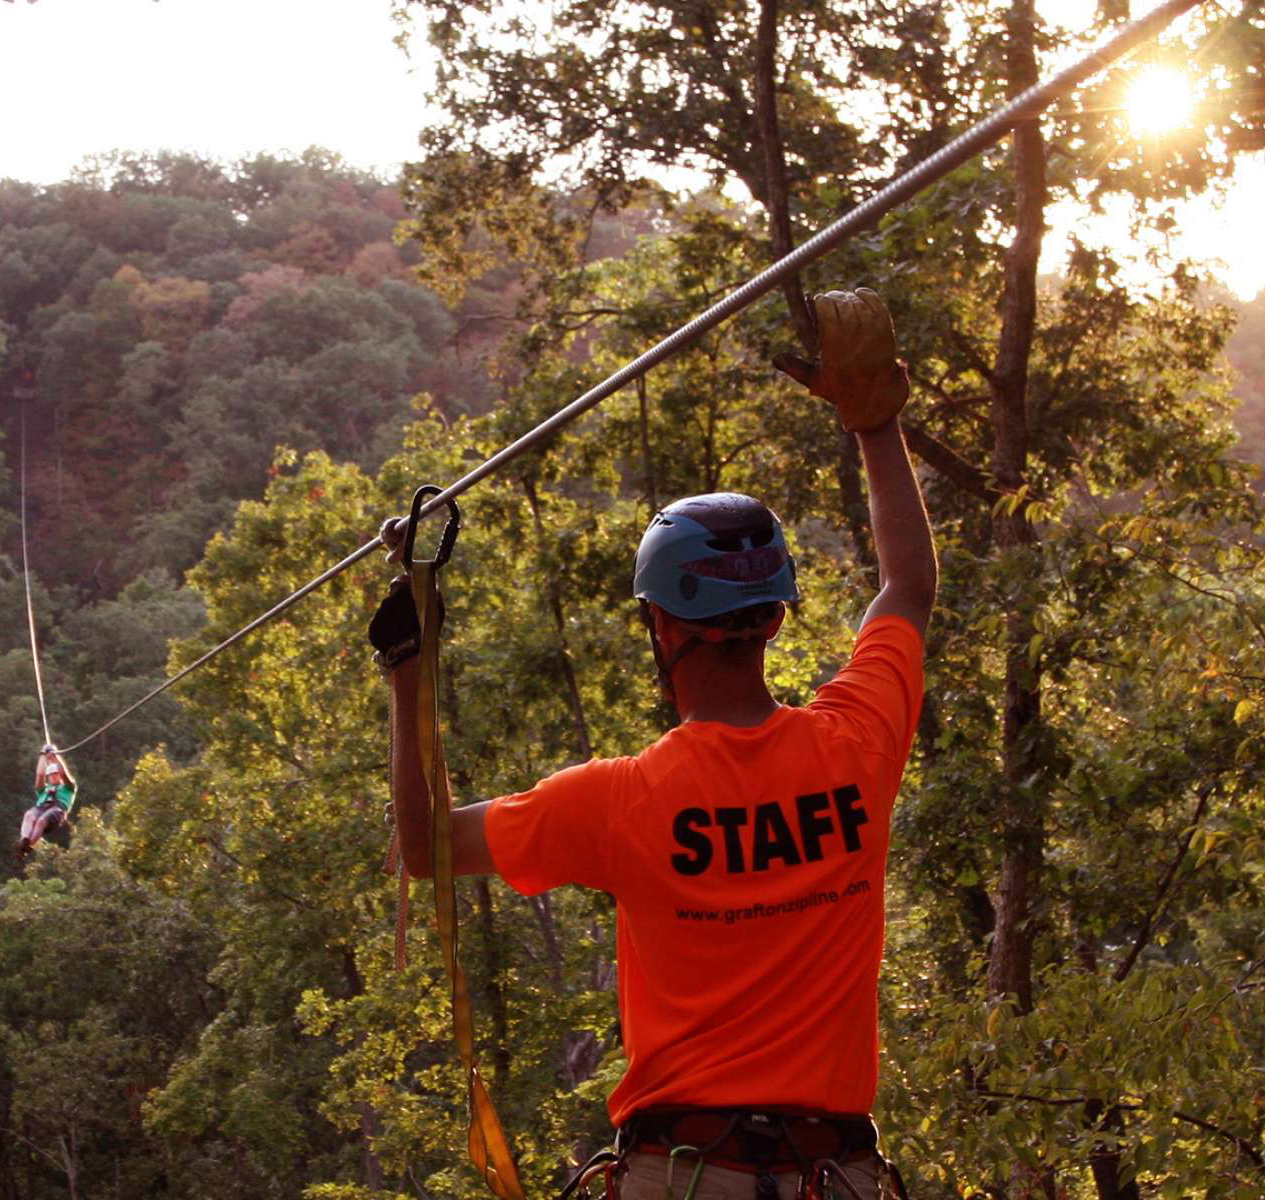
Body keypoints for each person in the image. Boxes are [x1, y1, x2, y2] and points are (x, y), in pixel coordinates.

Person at [376, 288, 934, 1200]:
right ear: (776, 618)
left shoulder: (620, 799)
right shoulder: (857, 747)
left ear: (659, 625)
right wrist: (875, 426)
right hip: (831, 1176)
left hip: (679, 1174)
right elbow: (906, 588)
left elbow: (422, 846)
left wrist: (411, 668)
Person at [17, 748, 77, 859]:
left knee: (41, 821)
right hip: (41, 807)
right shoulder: (43, 789)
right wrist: (43, 755)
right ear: (48, 777)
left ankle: (29, 845)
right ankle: (24, 841)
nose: (54, 776)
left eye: (56, 774)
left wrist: (55, 757)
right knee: (29, 815)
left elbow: (64, 773)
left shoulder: (69, 788)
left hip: (57, 810)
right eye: (51, 775)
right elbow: (40, 774)